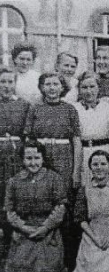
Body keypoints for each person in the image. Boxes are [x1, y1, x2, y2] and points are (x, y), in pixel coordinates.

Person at [4, 140, 67, 272]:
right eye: (29, 158)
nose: (33, 163)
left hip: (48, 231)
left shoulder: (54, 178)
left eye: (37, 158)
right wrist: (24, 227)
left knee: (48, 268)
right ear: (22, 160)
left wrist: (45, 228)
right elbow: (9, 211)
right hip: (24, 231)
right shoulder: (13, 181)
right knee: (19, 269)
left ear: (43, 159)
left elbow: (60, 207)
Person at [24, 72, 81, 192]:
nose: (51, 87)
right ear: (42, 87)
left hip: (64, 156)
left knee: (63, 191)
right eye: (48, 84)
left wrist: (76, 172)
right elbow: (28, 139)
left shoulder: (70, 109)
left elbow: (76, 141)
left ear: (62, 87)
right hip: (41, 155)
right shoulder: (35, 109)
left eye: (55, 84)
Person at [0, 67, 31, 249]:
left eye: (10, 82)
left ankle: (16, 244)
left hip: (16, 156)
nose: (6, 86)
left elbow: (27, 133)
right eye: (2, 82)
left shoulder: (24, 105)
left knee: (15, 196)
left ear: (15, 84)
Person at [73, 71, 109, 185]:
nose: (89, 91)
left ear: (98, 88)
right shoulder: (75, 109)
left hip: (105, 151)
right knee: (87, 186)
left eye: (92, 86)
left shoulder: (108, 107)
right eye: (84, 87)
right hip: (84, 152)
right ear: (79, 89)